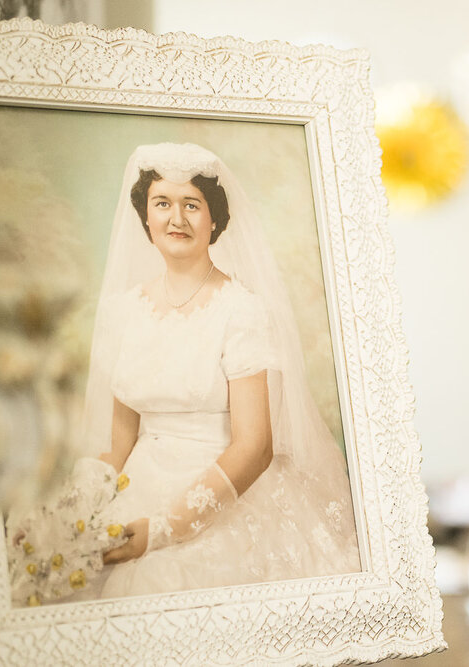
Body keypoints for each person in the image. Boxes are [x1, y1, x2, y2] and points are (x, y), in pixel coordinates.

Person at [74, 142, 359, 598]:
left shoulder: (241, 311)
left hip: (223, 488)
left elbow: (254, 447)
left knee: (156, 583)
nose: (177, 218)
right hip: (140, 481)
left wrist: (168, 528)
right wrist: (77, 505)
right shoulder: (121, 312)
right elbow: (121, 441)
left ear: (214, 219)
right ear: (146, 217)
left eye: (192, 205)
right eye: (162, 203)